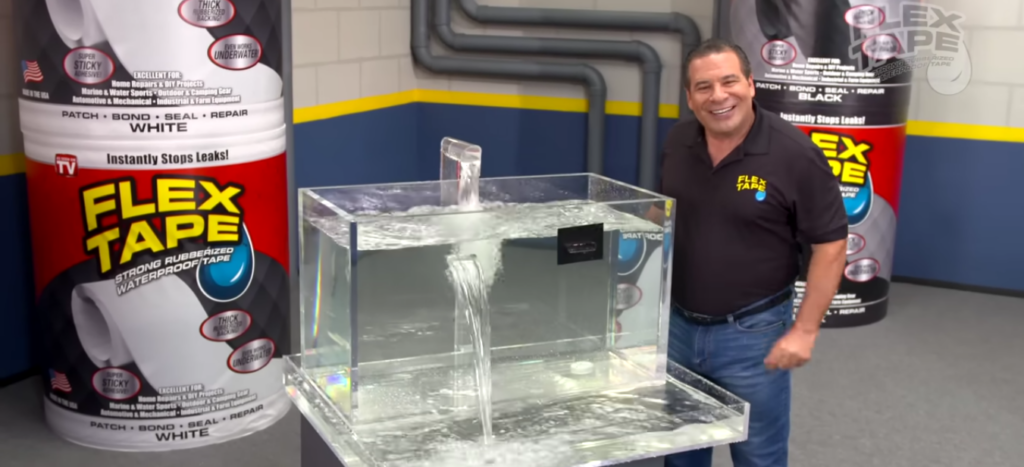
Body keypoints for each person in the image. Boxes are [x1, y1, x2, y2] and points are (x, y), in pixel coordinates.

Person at [654, 38, 849, 467]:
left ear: (751, 84)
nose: (718, 96)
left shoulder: (795, 155)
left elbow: (831, 245)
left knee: (758, 455)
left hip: (753, 334)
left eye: (729, 81)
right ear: (689, 97)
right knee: (680, 451)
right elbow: (659, 214)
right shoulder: (678, 141)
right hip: (677, 327)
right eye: (703, 87)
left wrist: (805, 331)